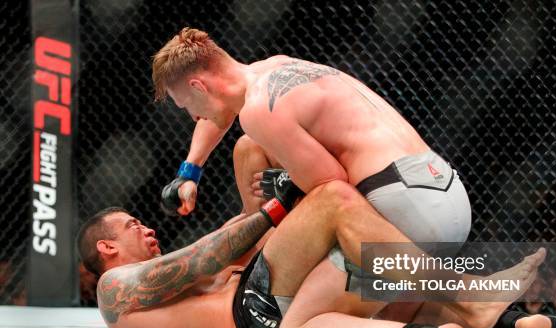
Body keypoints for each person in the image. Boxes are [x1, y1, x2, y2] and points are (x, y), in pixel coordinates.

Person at [79, 178, 556, 328]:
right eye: (132, 225)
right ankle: (478, 303)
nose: (145, 228)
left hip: (277, 310)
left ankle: (517, 327)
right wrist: (279, 208)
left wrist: (262, 184)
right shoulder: (114, 291)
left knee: (382, 270)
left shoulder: (174, 288)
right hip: (253, 315)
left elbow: (237, 241)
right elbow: (204, 257)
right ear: (107, 246)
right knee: (334, 200)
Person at [153, 28, 471, 252]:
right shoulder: (277, 66)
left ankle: (483, 305)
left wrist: (285, 192)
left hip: (412, 215)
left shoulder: (258, 111)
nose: (194, 117)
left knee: (292, 294)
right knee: (249, 148)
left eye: (186, 106)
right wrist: (188, 172)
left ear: (198, 86)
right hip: (446, 191)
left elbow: (332, 189)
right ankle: (496, 310)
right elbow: (216, 117)